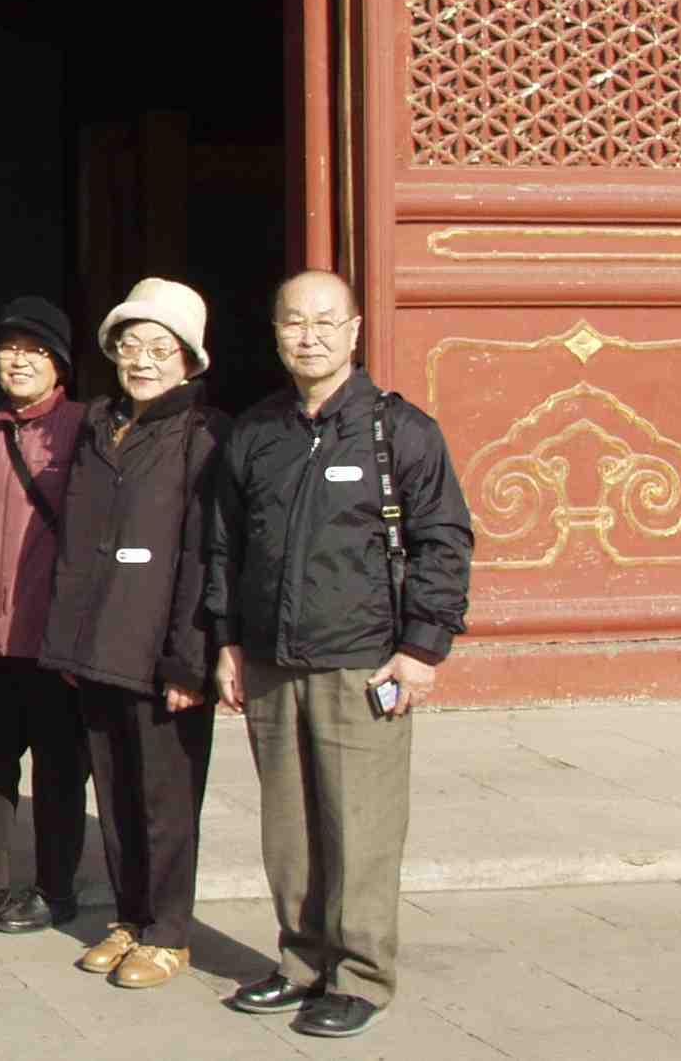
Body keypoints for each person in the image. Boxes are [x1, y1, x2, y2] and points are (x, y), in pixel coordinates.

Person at [208, 270, 474, 1038]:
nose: (309, 336)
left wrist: (421, 648)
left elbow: (444, 541)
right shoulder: (256, 433)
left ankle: (358, 974)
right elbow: (223, 545)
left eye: (325, 321)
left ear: (354, 330)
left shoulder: (399, 432)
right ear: (274, 332)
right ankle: (301, 962)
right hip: (271, 661)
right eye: (294, 321)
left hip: (362, 662)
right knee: (288, 831)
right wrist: (226, 638)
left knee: (359, 828)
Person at [37, 278, 229, 989]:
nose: (142, 361)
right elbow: (73, 540)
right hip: (96, 643)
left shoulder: (203, 435)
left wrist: (189, 659)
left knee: (164, 800)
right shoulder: (99, 425)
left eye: (159, 348)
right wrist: (65, 639)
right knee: (116, 793)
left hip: (159, 651)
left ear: (187, 359)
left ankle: (169, 932)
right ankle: (130, 917)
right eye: (130, 346)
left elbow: (203, 553)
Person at [0, 296, 89, 938]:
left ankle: (56, 888)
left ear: (60, 363)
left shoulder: (85, 431)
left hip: (53, 639)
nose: (19, 360)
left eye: (35, 350)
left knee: (60, 771)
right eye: (9, 349)